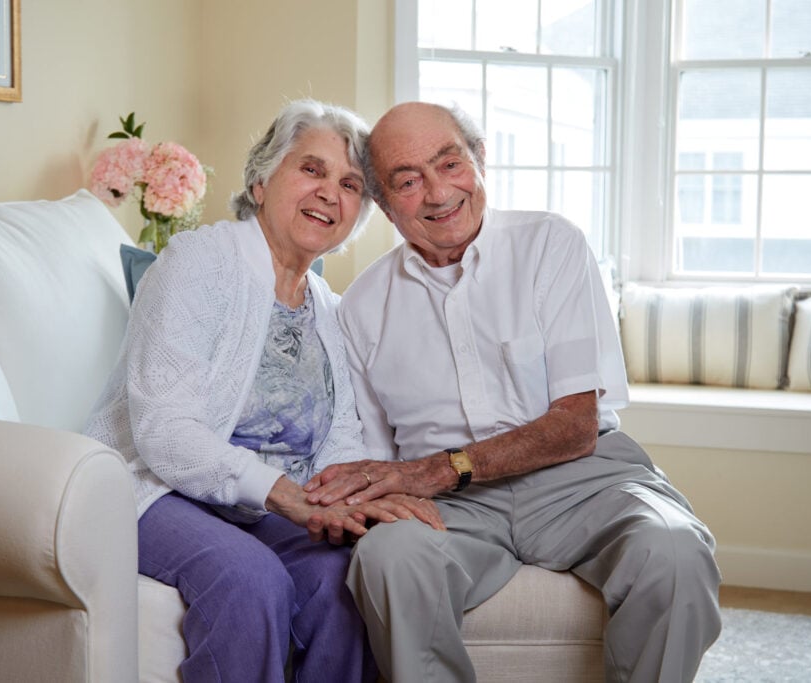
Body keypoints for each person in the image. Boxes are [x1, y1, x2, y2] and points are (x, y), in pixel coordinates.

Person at [303, 102, 723, 682]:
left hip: (583, 477)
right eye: (407, 180)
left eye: (449, 163)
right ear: (383, 203)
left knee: (674, 550)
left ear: (478, 160)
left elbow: (576, 424)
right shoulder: (363, 305)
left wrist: (439, 470)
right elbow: (377, 456)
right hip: (452, 508)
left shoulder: (551, 244)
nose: (437, 192)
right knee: (388, 559)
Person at [84, 99, 442, 683]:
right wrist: (283, 494)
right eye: (312, 169)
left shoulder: (329, 309)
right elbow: (164, 433)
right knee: (250, 578)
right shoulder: (198, 262)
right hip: (154, 487)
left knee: (343, 579)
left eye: (351, 184)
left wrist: (350, 499)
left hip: (260, 505)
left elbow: (339, 434)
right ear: (260, 180)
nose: (331, 192)